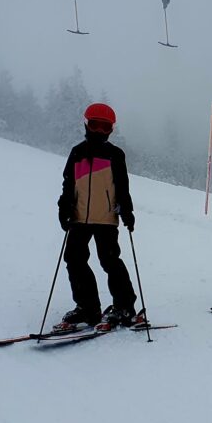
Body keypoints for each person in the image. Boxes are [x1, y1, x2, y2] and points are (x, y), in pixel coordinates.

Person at [53, 103, 138, 333]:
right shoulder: (77, 153)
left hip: (106, 219)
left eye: (105, 127)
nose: (99, 131)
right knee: (74, 260)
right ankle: (87, 307)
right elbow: (68, 185)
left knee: (110, 261)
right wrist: (64, 208)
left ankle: (124, 307)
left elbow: (122, 187)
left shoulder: (115, 155)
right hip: (79, 218)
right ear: (86, 124)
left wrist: (127, 211)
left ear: (111, 130)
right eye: (94, 125)